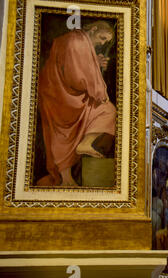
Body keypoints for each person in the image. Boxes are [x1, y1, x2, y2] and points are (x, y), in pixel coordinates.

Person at [38, 21, 116, 186]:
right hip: (63, 97)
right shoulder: (77, 42)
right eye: (102, 38)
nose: (103, 43)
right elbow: (77, 76)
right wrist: (99, 92)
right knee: (107, 110)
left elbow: (77, 64)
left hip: (56, 94)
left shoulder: (75, 40)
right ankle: (86, 144)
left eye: (106, 41)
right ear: (93, 29)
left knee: (59, 137)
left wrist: (95, 61)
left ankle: (65, 179)